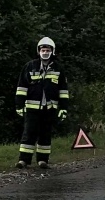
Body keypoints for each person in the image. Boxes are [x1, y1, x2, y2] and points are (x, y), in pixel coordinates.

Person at [14, 36, 70, 169]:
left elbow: (63, 91)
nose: (45, 52)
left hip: (49, 108)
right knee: (29, 133)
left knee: (46, 134)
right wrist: (19, 105)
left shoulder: (58, 69)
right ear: (38, 51)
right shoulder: (29, 66)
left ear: (52, 51)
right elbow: (21, 88)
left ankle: (43, 160)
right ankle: (24, 160)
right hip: (32, 108)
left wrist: (63, 108)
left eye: (47, 50)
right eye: (43, 50)